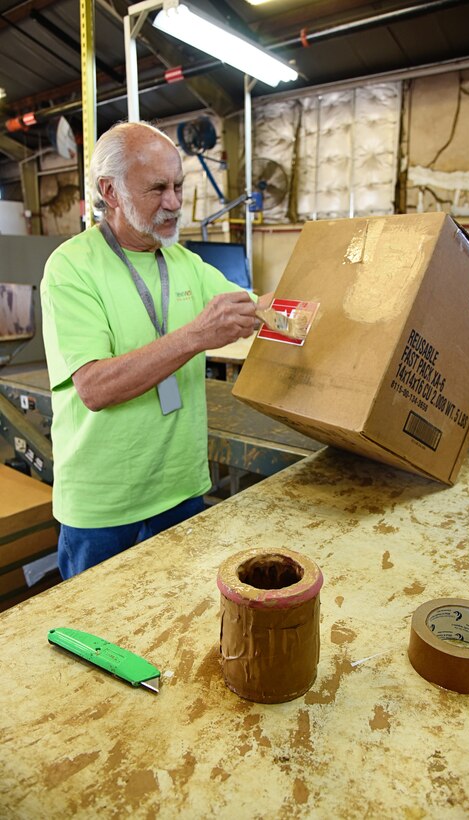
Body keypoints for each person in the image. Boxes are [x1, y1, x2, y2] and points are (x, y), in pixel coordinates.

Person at [41, 121, 270, 579]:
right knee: (98, 633)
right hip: (104, 507)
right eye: (157, 188)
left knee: (180, 633)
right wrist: (195, 335)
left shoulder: (184, 262)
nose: (173, 202)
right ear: (110, 190)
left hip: (180, 491)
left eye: (179, 187)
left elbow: (257, 309)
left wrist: (317, 307)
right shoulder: (71, 267)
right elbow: (95, 387)